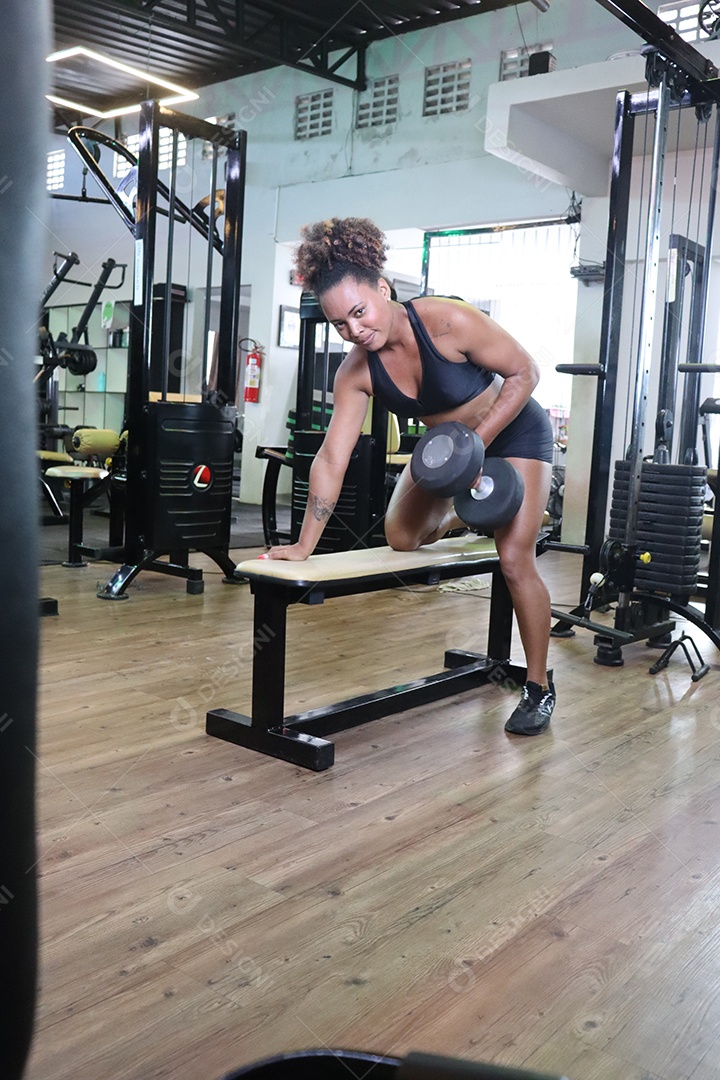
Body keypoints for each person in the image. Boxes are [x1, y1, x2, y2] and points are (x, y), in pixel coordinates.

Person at [264, 217, 556, 736]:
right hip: (447, 452)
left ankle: (536, 687)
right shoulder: (355, 372)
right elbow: (332, 458)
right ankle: (471, 518)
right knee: (401, 538)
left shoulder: (447, 320)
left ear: (383, 288)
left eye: (359, 312)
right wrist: (303, 544)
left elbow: (525, 373)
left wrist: (478, 446)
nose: (355, 331)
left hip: (511, 435)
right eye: (340, 325)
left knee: (513, 559)